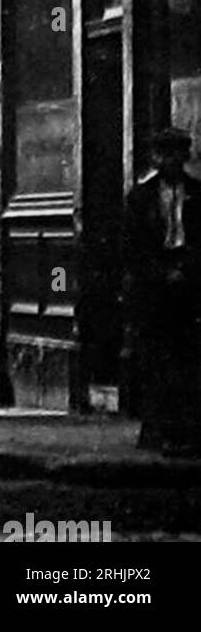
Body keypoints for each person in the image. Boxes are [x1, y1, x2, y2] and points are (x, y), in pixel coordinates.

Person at [122, 125, 201, 455]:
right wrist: (157, 272)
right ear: (155, 158)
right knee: (157, 360)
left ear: (186, 156)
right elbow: (132, 246)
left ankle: (187, 432)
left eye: (178, 154)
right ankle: (157, 430)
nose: (172, 160)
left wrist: (187, 267)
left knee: (188, 358)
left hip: (190, 282)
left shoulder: (198, 193)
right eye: (165, 154)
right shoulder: (140, 197)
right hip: (154, 286)